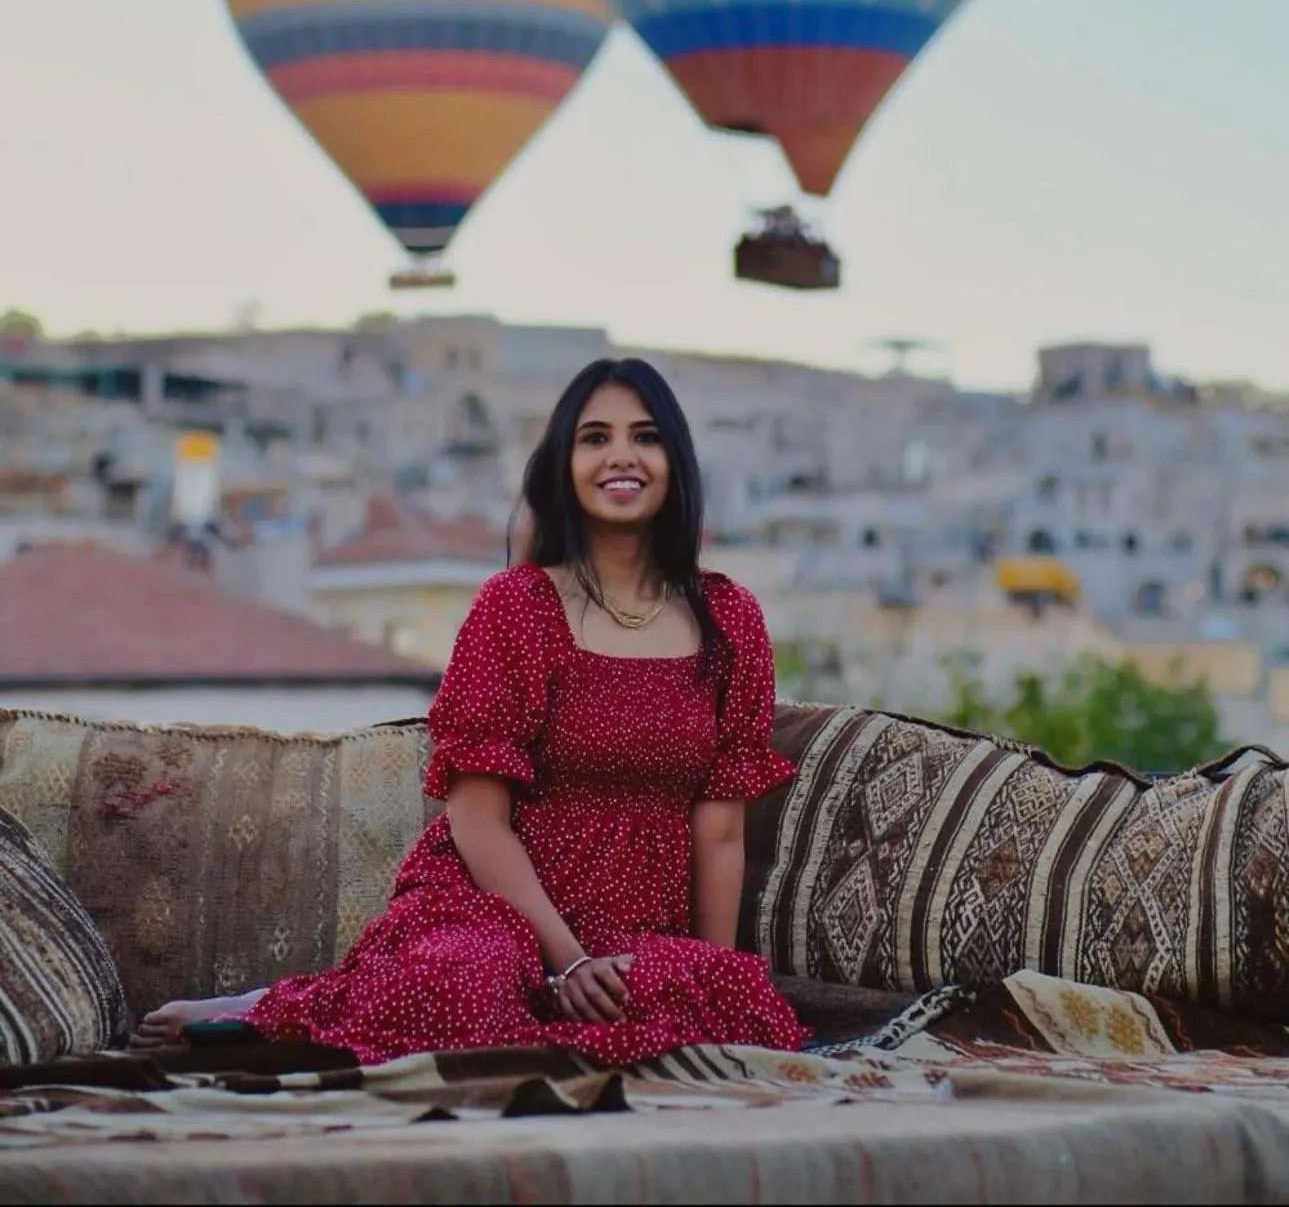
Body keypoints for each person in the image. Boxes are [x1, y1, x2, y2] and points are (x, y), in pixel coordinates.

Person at [134, 358, 805, 1065]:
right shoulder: (515, 607)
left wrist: (709, 979)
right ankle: (267, 1010)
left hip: (635, 926)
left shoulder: (728, 616)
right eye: (594, 438)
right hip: (494, 908)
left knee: (731, 996)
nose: (620, 456)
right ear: (563, 466)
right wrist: (567, 961)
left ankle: (568, 1017)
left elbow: (721, 830)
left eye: (645, 437)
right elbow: (477, 818)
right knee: (464, 984)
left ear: (675, 461)